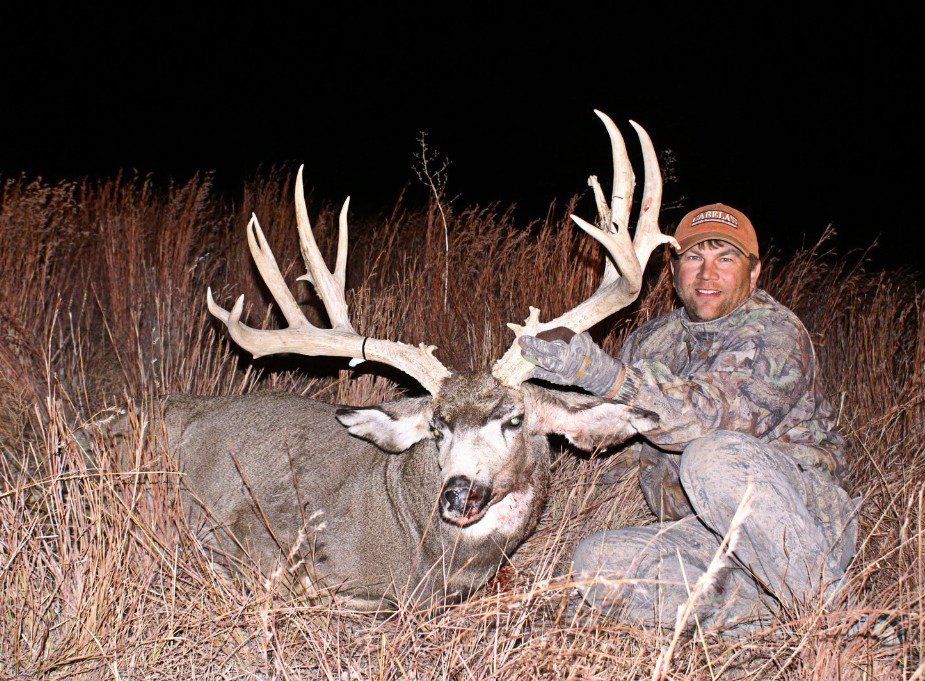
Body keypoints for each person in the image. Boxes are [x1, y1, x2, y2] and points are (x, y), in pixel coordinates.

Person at [519, 203, 858, 634]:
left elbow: (706, 418)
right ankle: (771, 619)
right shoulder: (652, 340)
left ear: (754, 274)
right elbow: (619, 434)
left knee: (710, 454)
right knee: (596, 564)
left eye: (725, 259)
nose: (707, 274)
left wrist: (601, 372)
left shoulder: (777, 333)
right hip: (709, 534)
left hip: (803, 522)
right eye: (694, 258)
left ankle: (837, 618)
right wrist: (547, 397)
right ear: (674, 270)